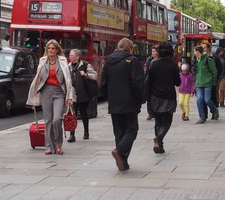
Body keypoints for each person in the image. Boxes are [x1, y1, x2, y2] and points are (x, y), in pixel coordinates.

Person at [100, 38, 144, 171]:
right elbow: (137, 82)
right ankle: (119, 152)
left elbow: (103, 83)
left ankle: (123, 162)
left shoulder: (109, 62)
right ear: (130, 49)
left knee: (119, 132)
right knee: (132, 130)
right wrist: (140, 99)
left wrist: (108, 96)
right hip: (129, 102)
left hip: (114, 102)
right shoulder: (133, 61)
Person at [27, 39, 75, 155]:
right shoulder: (42, 61)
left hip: (59, 92)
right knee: (48, 120)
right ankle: (49, 146)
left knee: (56, 119)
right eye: (48, 48)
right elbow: (37, 79)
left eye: (53, 48)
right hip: (46, 91)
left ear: (57, 50)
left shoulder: (63, 61)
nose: (50, 50)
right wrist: (33, 97)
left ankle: (58, 144)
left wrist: (70, 97)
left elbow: (68, 80)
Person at [147, 42, 181, 154]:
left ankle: (159, 146)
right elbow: (178, 82)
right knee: (167, 121)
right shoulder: (173, 65)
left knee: (158, 121)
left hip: (155, 96)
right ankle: (160, 138)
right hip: (168, 96)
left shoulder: (154, 64)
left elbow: (149, 80)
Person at [67, 49, 97, 142]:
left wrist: (86, 74)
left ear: (77, 56)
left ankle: (86, 132)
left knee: (84, 113)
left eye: (72, 55)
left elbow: (95, 75)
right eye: (70, 55)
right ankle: (72, 135)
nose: (69, 57)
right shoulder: (68, 66)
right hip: (73, 95)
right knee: (72, 115)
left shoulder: (85, 65)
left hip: (83, 94)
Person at [193, 45, 219, 123]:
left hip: (207, 83)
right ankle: (202, 117)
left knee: (207, 100)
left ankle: (215, 111)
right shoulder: (197, 60)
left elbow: (214, 71)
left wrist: (213, 82)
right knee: (199, 100)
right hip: (199, 83)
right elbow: (196, 72)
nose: (193, 53)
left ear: (198, 51)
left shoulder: (208, 59)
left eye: (194, 51)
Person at [145, 46, 158, 120]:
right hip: (150, 80)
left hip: (157, 81)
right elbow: (147, 70)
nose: (152, 53)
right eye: (152, 51)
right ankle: (150, 113)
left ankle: (155, 112)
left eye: (154, 51)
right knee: (149, 97)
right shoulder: (149, 59)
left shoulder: (160, 60)